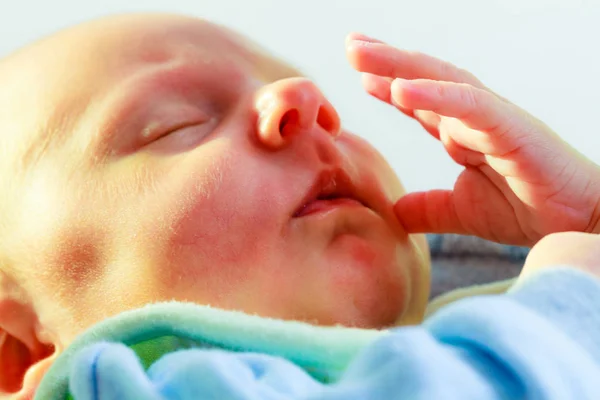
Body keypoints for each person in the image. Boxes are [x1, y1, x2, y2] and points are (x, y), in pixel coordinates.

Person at [0, 13, 599, 399]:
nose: (304, 101)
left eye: (327, 109)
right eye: (173, 126)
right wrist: (566, 314)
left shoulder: (511, 298)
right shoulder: (127, 384)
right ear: (21, 350)